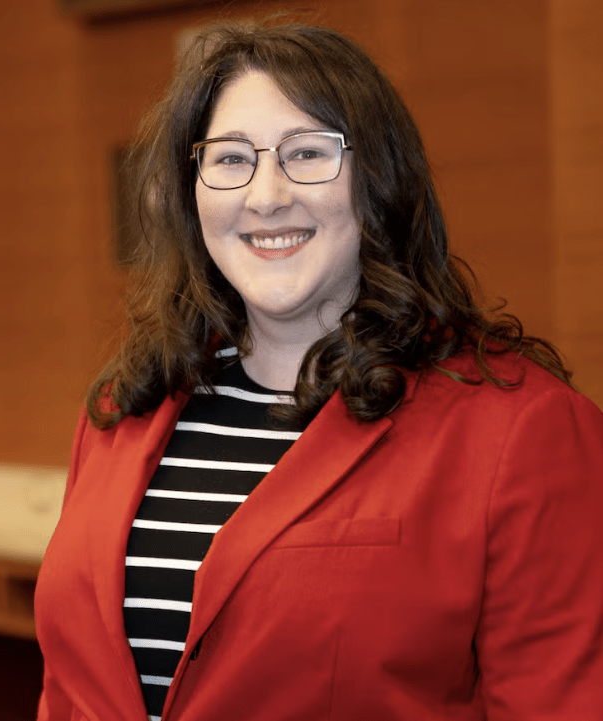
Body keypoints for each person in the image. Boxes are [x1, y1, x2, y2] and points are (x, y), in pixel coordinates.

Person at [34, 19, 603, 721]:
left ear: (379, 183)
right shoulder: (127, 408)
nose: (266, 195)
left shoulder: (522, 430)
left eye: (307, 154)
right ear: (193, 191)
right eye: (232, 159)